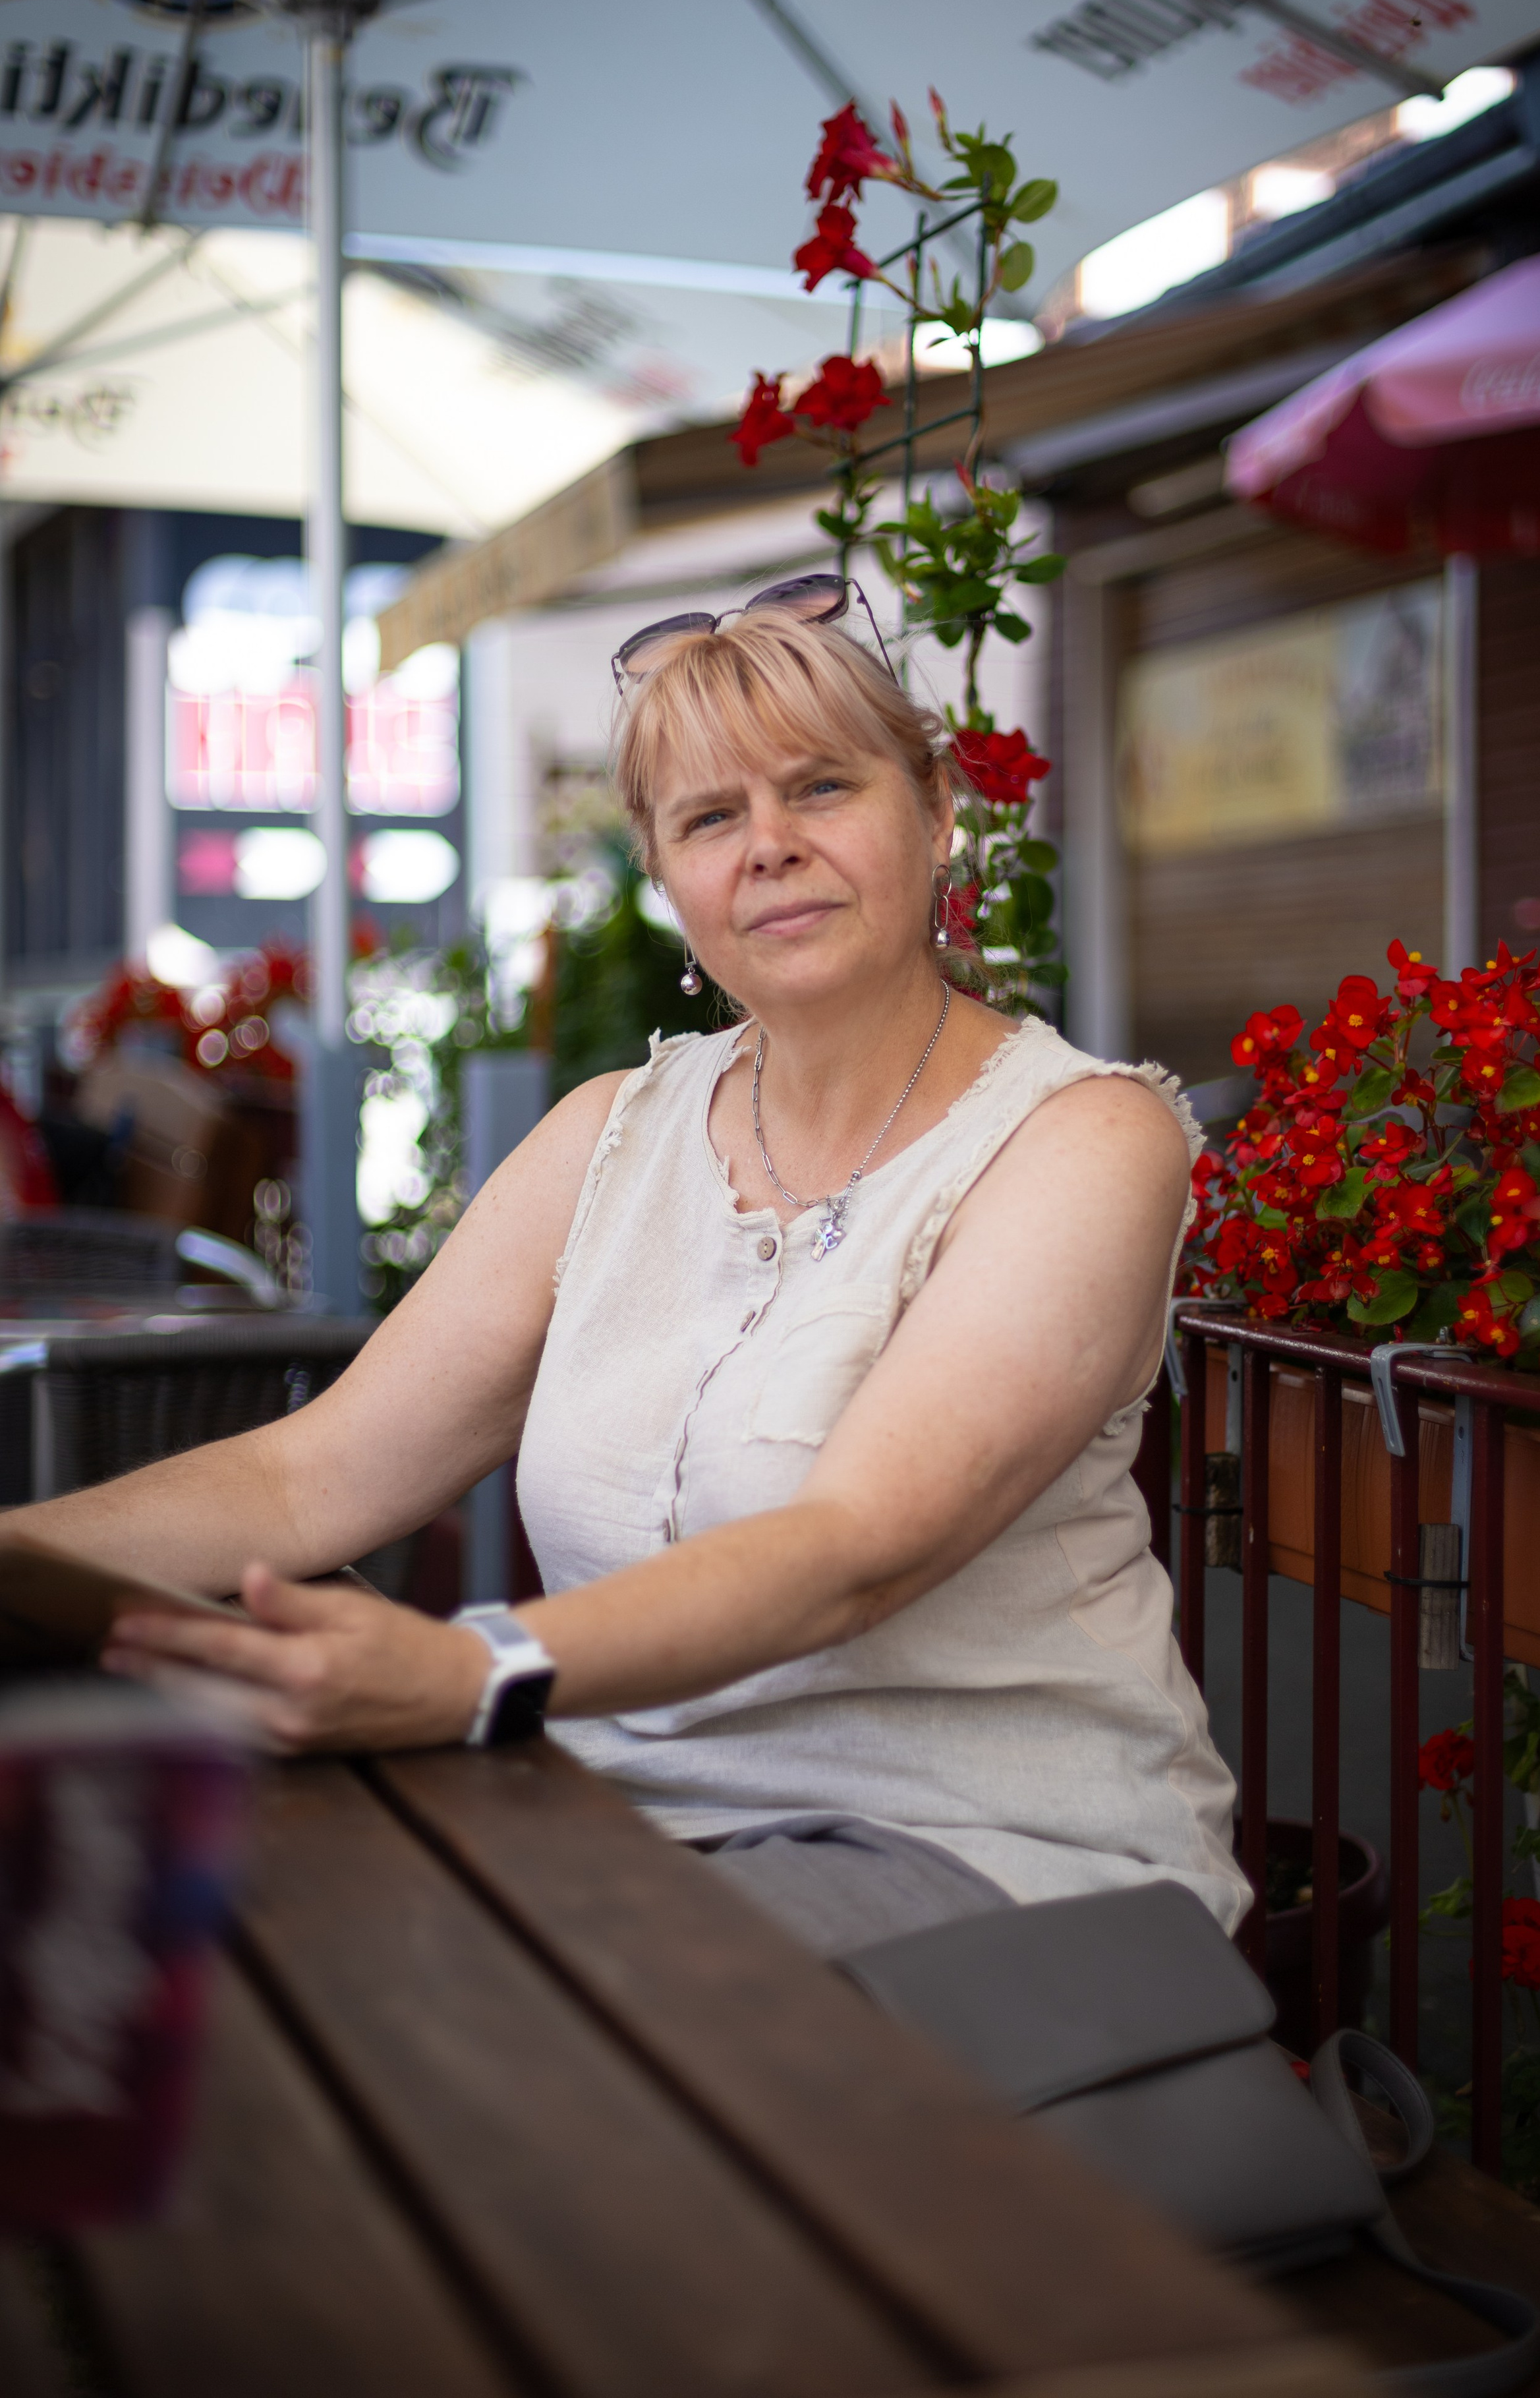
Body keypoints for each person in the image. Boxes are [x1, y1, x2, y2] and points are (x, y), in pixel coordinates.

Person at [16, 583, 1245, 1954]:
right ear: (663, 877)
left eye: (821, 786)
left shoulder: (1081, 1139)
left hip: (993, 1853)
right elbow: (311, 1476)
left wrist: (466, 1668)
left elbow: (851, 1548)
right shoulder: (610, 1135)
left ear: (936, 809)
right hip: (615, 1824)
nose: (769, 847)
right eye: (709, 818)